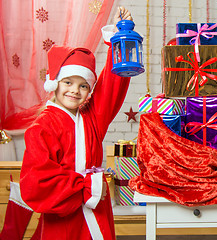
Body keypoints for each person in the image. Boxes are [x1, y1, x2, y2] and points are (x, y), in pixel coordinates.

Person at [20, 7, 132, 240]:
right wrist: (84, 187)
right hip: (63, 216)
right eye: (68, 82)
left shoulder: (91, 118)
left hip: (97, 214)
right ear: (55, 83)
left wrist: (118, 38)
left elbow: (110, 86)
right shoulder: (40, 128)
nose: (75, 91)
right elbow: (37, 181)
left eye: (83, 86)